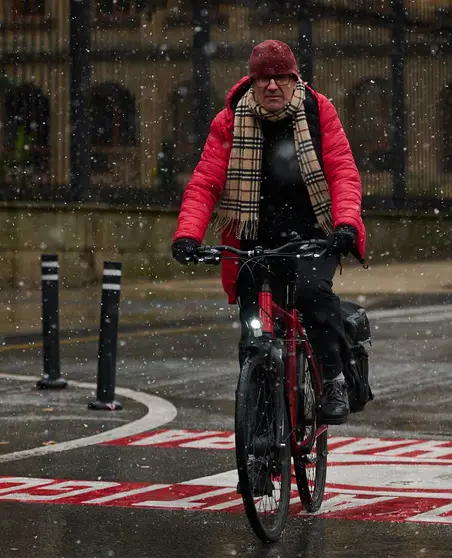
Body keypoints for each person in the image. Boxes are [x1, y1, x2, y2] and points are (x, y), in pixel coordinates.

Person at [169, 40, 367, 426]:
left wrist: (345, 225)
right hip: (253, 239)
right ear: (252, 81)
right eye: (263, 78)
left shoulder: (318, 111)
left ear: (295, 79)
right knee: (252, 332)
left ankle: (332, 379)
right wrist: (188, 234)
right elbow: (205, 183)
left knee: (313, 296)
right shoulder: (230, 120)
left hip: (316, 234)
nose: (271, 85)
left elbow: (343, 172)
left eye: (280, 77)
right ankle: (258, 416)